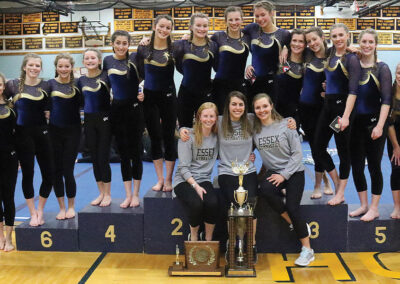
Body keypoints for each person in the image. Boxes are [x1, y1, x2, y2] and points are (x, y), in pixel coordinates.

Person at [252, 93, 314, 266]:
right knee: (264, 189)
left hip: (294, 172)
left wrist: (283, 175)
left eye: (265, 106)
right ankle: (293, 223)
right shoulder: (255, 130)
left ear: (271, 106)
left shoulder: (287, 125)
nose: (262, 110)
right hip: (274, 173)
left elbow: (297, 155)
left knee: (292, 207)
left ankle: (308, 250)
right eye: (258, 107)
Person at [313, 23, 361, 206]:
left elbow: (353, 91)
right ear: (330, 38)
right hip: (328, 106)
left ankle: (341, 193)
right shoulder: (331, 53)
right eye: (335, 36)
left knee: (343, 151)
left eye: (341, 35)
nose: (338, 39)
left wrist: (346, 116)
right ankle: (336, 182)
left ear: (348, 35)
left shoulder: (352, 59)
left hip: (342, 109)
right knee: (318, 146)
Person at [5, 53, 53, 226]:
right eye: (31, 65)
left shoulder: (46, 85)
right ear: (24, 67)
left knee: (49, 175)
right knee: (28, 174)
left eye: (37, 65)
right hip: (22, 136)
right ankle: (32, 212)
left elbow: (53, 106)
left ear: (41, 68)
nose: (34, 68)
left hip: (42, 133)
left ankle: (40, 208)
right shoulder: (13, 85)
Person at [349, 29, 392, 221]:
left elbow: (386, 100)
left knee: (374, 166)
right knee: (357, 167)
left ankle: (374, 208)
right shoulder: (354, 65)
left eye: (370, 42)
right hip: (355, 125)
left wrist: (380, 126)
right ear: (359, 43)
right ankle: (364, 204)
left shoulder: (381, 68)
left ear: (376, 45)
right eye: (363, 42)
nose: (367, 45)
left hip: (374, 124)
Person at [103, 30, 144, 207]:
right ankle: (127, 194)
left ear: (129, 44)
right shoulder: (107, 61)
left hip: (134, 110)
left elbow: (147, 76)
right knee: (123, 155)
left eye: (124, 43)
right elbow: (104, 84)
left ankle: (136, 194)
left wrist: (143, 93)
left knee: (136, 153)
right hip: (117, 111)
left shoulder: (135, 58)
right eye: (118, 43)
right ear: (112, 43)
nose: (121, 46)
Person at [136, 15, 177, 192]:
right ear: (154, 26)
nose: (164, 30)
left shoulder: (175, 49)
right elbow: (138, 74)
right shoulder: (143, 48)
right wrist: (139, 92)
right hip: (150, 98)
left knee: (168, 138)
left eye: (168, 27)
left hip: (168, 96)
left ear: (171, 30)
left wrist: (185, 38)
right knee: (155, 138)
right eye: (161, 26)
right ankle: (159, 179)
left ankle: (169, 179)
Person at [173, 102, 219, 241]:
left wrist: (250, 155)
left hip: (204, 179)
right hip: (184, 180)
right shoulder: (187, 137)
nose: (208, 119)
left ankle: (208, 240)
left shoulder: (217, 137)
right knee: (196, 204)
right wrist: (195, 186)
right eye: (205, 116)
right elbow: (183, 168)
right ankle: (193, 237)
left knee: (212, 203)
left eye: (212, 116)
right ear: (199, 117)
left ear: (216, 118)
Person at [300, 27, 333, 199]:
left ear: (322, 37)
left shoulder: (332, 56)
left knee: (320, 147)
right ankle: (323, 181)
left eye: (315, 39)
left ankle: (319, 184)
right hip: (305, 108)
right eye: (309, 41)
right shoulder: (307, 55)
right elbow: (289, 43)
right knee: (314, 147)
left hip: (323, 109)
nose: (312, 43)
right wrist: (283, 48)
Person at [48, 53, 81, 219]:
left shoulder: (77, 84)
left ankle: (71, 206)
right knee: (56, 171)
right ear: (56, 67)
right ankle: (61, 207)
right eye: (60, 66)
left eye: (66, 66)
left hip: (73, 132)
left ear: (71, 67)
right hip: (54, 132)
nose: (63, 69)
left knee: (68, 170)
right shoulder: (49, 85)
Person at [77, 48, 112, 207]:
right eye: (87, 58)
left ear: (99, 60)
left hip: (105, 120)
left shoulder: (106, 76)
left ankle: (108, 194)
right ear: (83, 61)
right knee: (94, 159)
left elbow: (120, 89)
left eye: (93, 58)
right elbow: (76, 102)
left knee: (103, 158)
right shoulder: (81, 81)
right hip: (89, 121)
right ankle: (101, 193)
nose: (90, 60)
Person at [175, 12, 218, 128]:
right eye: (198, 25)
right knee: (185, 129)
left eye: (205, 26)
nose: (201, 29)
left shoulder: (213, 46)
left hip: (205, 93)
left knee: (206, 129)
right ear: (191, 27)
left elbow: (218, 67)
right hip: (186, 94)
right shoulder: (181, 45)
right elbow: (179, 66)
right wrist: (146, 41)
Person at [244, 1, 290, 105]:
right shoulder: (252, 28)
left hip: (274, 82)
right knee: (254, 114)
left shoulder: (284, 34)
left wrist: (286, 48)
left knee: (271, 115)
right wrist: (247, 66)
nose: (260, 19)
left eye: (263, 15)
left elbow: (296, 54)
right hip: (254, 80)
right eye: (257, 16)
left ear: (271, 13)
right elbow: (237, 44)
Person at [211, 6, 250, 113]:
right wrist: (187, 38)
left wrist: (284, 47)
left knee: (239, 119)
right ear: (225, 21)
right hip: (220, 87)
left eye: (237, 19)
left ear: (242, 20)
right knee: (221, 118)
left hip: (239, 85)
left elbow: (260, 54)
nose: (234, 23)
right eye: (230, 20)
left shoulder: (247, 37)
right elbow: (201, 46)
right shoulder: (217, 37)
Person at [0, 72, 17, 251]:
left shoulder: (11, 108)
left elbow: (17, 134)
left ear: (3, 86)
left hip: (9, 157)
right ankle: (0, 237)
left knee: (8, 197)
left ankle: (9, 238)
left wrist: (17, 156)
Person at [275, 29, 306, 125]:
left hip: (292, 113)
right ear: (290, 42)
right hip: (273, 110)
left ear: (305, 44)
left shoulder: (307, 63)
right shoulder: (280, 56)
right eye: (294, 40)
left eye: (301, 41)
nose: (297, 44)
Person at [388, 62, 400, 219]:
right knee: (396, 170)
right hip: (394, 137)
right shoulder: (390, 93)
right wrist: (396, 146)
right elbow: (389, 123)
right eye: (398, 72)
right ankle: (397, 207)